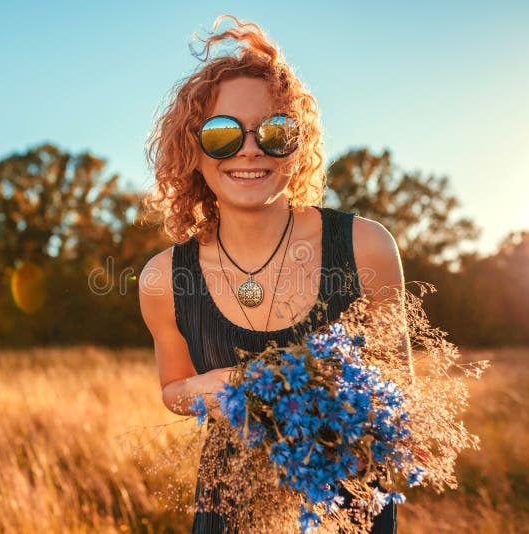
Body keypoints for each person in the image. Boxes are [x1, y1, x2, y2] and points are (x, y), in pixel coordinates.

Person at [139, 15, 411, 533]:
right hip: (231, 508)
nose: (249, 149)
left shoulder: (365, 247)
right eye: (221, 134)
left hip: (346, 508)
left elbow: (398, 391)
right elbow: (173, 387)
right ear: (192, 150)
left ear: (298, 144)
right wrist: (212, 387)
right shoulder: (162, 279)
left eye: (274, 131)